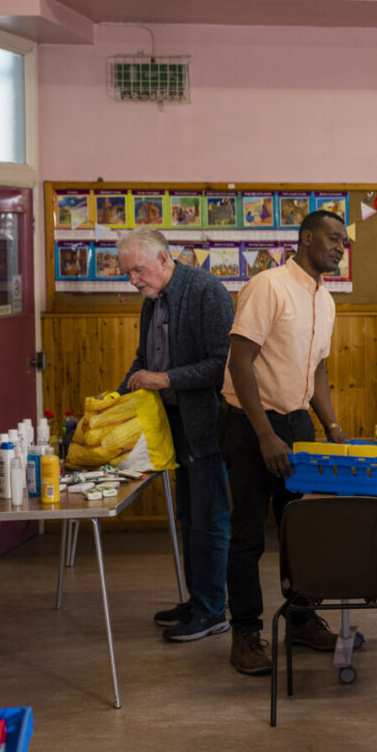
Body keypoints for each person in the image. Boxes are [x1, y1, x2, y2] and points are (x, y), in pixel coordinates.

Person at [219, 209, 352, 676]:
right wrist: (265, 435)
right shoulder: (268, 286)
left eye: (344, 242)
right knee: (248, 536)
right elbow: (240, 362)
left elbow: (317, 367)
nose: (340, 248)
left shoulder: (325, 299)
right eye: (333, 239)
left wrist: (331, 425)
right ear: (307, 238)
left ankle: (300, 619)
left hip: (298, 425)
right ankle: (245, 634)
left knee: (301, 532)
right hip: (250, 424)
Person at [116, 229, 235, 643]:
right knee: (189, 516)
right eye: (127, 273)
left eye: (137, 270)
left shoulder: (206, 291)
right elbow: (143, 360)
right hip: (173, 424)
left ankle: (212, 611)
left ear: (164, 259)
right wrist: (113, 402)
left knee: (209, 518)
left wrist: (165, 378)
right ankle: (198, 599)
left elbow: (223, 363)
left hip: (206, 425)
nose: (132, 280)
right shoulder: (154, 298)